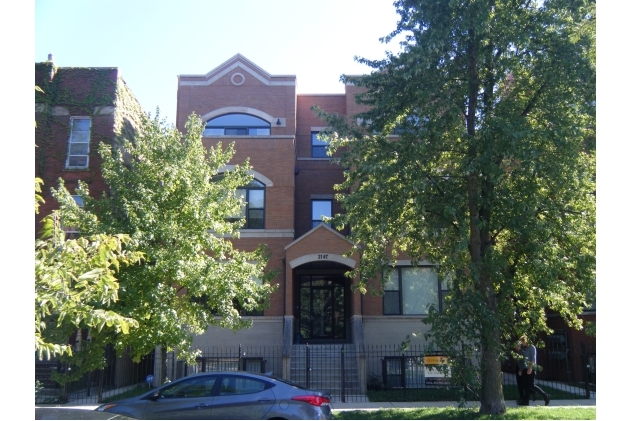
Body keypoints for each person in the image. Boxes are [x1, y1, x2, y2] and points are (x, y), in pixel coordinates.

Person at [516, 335, 550, 406]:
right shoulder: (526, 348)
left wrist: (530, 368)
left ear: (525, 341)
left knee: (531, 385)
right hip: (525, 368)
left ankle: (545, 396)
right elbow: (524, 356)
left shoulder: (532, 347)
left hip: (531, 368)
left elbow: (533, 358)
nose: (521, 344)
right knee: (526, 385)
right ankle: (526, 401)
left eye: (522, 342)